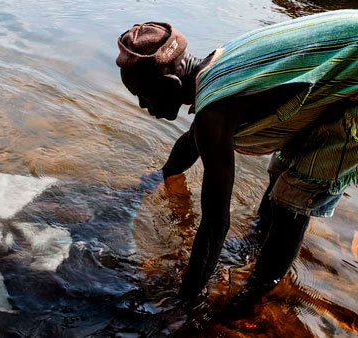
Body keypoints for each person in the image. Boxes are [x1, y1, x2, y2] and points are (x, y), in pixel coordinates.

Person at [116, 10, 358, 303]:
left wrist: (184, 301)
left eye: (143, 95)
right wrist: (160, 177)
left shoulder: (214, 115)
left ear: (171, 87)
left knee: (294, 201)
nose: (144, 105)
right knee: (281, 169)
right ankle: (257, 243)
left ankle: (255, 299)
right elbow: (189, 142)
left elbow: (216, 224)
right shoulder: (215, 67)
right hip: (342, 72)